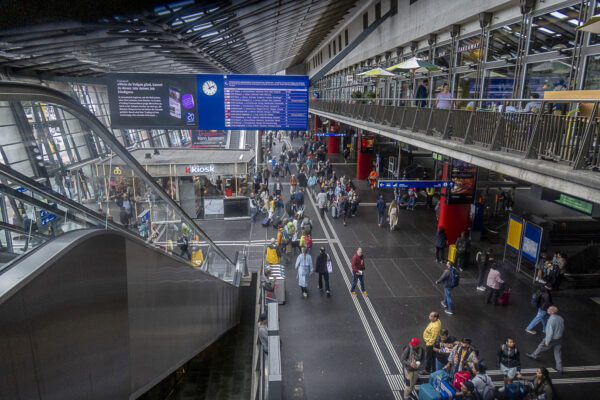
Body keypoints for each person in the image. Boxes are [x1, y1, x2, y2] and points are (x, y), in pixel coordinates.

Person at [526, 306, 564, 374]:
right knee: (557, 353)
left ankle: (534, 355)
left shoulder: (551, 320)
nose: (547, 310)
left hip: (552, 338)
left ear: (552, 312)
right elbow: (562, 328)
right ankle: (560, 368)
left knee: (541, 346)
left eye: (549, 309)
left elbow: (549, 332)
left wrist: (547, 341)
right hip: (559, 338)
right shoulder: (560, 318)